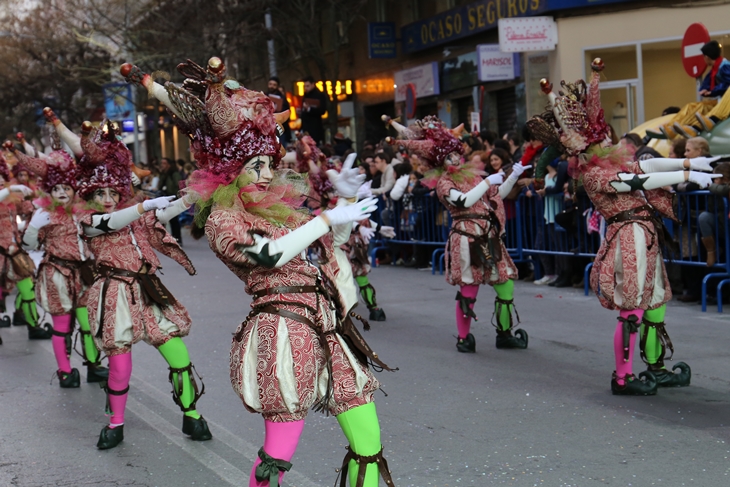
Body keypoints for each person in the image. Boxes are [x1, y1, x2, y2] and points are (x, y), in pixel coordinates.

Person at [123, 57, 396, 487]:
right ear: (230, 171)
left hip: (327, 326)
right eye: (257, 166)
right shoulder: (221, 220)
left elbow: (323, 249)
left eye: (270, 164)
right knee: (278, 455)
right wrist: (323, 221)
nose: (268, 174)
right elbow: (267, 257)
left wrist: (345, 215)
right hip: (283, 332)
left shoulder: (283, 212)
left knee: (369, 444)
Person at [534, 60, 718, 395]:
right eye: (599, 136)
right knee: (633, 307)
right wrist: (689, 176)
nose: (606, 137)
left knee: (656, 300)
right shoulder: (594, 174)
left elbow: (647, 164)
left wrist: (692, 162)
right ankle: (623, 376)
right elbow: (639, 178)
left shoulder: (608, 162)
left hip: (644, 235)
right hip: (628, 236)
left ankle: (657, 367)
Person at [69, 118, 210, 450]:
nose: (106, 198)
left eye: (112, 192)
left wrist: (195, 193)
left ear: (120, 189)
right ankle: (115, 424)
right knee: (120, 367)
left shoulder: (134, 214)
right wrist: (143, 205)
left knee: (179, 356)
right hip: (114, 293)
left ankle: (191, 416)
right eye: (99, 192)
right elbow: (111, 221)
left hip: (147, 290)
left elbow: (166, 212)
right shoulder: (89, 220)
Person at [387, 116, 530, 353]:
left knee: (505, 286)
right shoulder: (443, 182)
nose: (455, 158)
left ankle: (504, 333)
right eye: (449, 156)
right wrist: (487, 184)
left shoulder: (473, 176)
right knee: (469, 290)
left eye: (456, 153)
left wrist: (513, 176)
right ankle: (464, 337)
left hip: (487, 235)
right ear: (440, 160)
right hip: (466, 236)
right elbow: (463, 200)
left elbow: (495, 196)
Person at [10, 117, 108, 386]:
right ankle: (65, 372)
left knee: (88, 323)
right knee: (62, 325)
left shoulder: (84, 210)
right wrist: (34, 228)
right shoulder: (43, 213)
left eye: (67, 188)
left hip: (84, 272)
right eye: (57, 189)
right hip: (56, 274)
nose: (63, 193)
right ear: (50, 191)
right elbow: (29, 246)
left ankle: (94, 365)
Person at [0, 153, 49, 338]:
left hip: (14, 253)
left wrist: (50, 199)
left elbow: (29, 207)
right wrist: (13, 189)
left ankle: (33, 326)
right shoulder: (7, 192)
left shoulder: (10, 196)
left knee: (28, 289)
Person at [673, 40, 730, 137]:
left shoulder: (725, 66)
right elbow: (707, 83)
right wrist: (706, 90)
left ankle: (712, 119)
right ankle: (676, 128)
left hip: (725, 102)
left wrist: (712, 91)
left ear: (706, 57)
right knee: (693, 106)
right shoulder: (715, 69)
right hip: (721, 100)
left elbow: (727, 83)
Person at [158, 157, 183, 244]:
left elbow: (178, 185)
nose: (162, 165)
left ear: (169, 164)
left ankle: (177, 238)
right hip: (163, 197)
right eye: (161, 163)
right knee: (161, 218)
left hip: (172, 198)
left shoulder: (174, 173)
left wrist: (175, 197)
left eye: (164, 163)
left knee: (174, 219)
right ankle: (163, 238)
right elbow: (160, 185)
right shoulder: (163, 173)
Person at [299, 76, 327, 145]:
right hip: (306, 128)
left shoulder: (319, 96)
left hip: (315, 129)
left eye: (307, 86)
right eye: (305, 86)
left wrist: (309, 109)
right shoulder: (305, 95)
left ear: (313, 84)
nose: (306, 88)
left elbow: (322, 110)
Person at [266, 76, 291, 144]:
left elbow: (287, 113)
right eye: (270, 84)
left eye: (274, 85)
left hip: (279, 130)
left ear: (277, 86)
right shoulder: (264, 96)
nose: (272, 86)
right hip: (266, 130)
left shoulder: (283, 99)